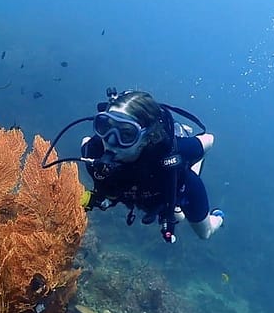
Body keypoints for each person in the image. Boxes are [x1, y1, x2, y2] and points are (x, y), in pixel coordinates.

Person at [77, 89, 224, 243]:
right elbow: (86, 142)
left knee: (204, 233)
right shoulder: (93, 150)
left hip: (180, 189)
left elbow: (209, 139)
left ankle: (218, 217)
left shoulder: (169, 152)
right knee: (177, 215)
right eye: (106, 127)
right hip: (143, 195)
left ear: (147, 137)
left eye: (127, 134)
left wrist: (194, 155)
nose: (111, 140)